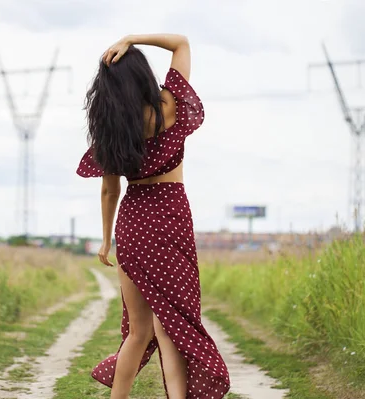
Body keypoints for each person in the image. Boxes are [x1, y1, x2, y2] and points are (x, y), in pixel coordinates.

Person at [76, 33, 230, 399]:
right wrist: (132, 38)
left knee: (137, 332)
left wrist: (105, 238)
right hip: (169, 214)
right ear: (143, 75)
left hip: (133, 223)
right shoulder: (167, 106)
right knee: (170, 328)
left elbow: (110, 190)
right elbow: (182, 44)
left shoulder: (113, 129)